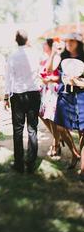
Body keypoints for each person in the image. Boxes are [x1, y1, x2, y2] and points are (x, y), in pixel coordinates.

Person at [4, 30, 41, 174]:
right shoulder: (34, 54)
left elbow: (8, 78)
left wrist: (6, 98)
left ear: (15, 40)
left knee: (17, 130)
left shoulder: (12, 56)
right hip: (33, 93)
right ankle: (31, 163)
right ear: (27, 40)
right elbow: (39, 72)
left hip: (18, 96)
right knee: (32, 129)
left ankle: (19, 163)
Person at [52, 32, 83, 169]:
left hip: (82, 95)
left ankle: (82, 161)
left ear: (78, 43)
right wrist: (54, 53)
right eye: (67, 41)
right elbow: (55, 72)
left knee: (83, 131)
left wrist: (76, 81)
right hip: (65, 95)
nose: (69, 44)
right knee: (60, 127)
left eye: (72, 41)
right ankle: (74, 153)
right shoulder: (63, 57)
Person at [39, 38, 63, 159]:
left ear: (50, 46)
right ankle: (57, 138)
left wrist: (53, 53)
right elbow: (43, 72)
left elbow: (55, 74)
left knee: (53, 118)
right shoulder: (44, 58)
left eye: (44, 44)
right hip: (45, 89)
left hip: (54, 90)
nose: (43, 46)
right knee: (44, 115)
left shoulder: (57, 57)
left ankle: (56, 143)